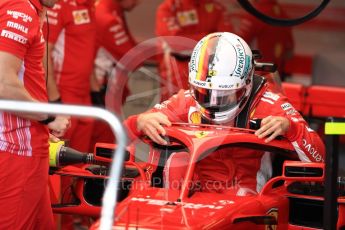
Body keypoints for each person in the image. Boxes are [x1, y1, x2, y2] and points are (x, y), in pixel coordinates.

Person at [124, 32, 325, 196]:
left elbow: (320, 159)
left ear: (246, 83)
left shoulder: (270, 105)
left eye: (224, 95)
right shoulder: (185, 100)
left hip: (245, 193)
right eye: (205, 93)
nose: (213, 102)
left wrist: (293, 130)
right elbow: (122, 133)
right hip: (189, 189)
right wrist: (139, 122)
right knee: (173, 165)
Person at [0, 0, 70, 229]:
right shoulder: (19, 9)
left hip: (27, 140)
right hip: (17, 149)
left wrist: (39, 125)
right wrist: (49, 117)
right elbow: (3, 85)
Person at [44, 0, 96, 153]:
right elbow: (44, 52)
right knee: (60, 157)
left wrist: (96, 91)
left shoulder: (90, 5)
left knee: (82, 159)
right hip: (64, 92)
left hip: (84, 94)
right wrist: (54, 99)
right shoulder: (60, 5)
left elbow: (86, 51)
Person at [155, 0, 233, 100]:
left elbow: (227, 41)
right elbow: (176, 43)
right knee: (174, 108)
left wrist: (190, 39)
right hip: (176, 72)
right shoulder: (169, 7)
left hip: (209, 71)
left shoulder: (217, 8)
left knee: (208, 108)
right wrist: (210, 37)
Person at [89, 0, 140, 150]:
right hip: (97, 92)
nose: (138, 3)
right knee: (104, 148)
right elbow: (134, 59)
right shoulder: (106, 17)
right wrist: (162, 49)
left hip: (96, 89)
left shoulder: (111, 10)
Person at [231, 0, 294, 80]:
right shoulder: (283, 14)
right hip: (276, 78)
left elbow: (236, 45)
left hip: (256, 78)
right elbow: (289, 53)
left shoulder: (255, 13)